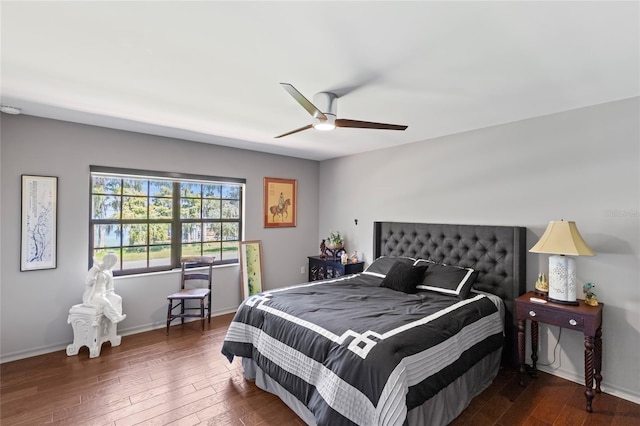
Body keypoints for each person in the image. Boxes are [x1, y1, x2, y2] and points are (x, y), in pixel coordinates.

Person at [83, 251, 126, 323]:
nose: (112, 266)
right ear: (107, 262)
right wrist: (93, 276)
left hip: (105, 294)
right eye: (112, 264)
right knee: (106, 302)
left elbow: (110, 287)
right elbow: (88, 282)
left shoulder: (107, 272)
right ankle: (114, 318)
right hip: (94, 295)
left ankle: (118, 315)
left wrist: (111, 294)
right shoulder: (95, 269)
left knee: (118, 299)